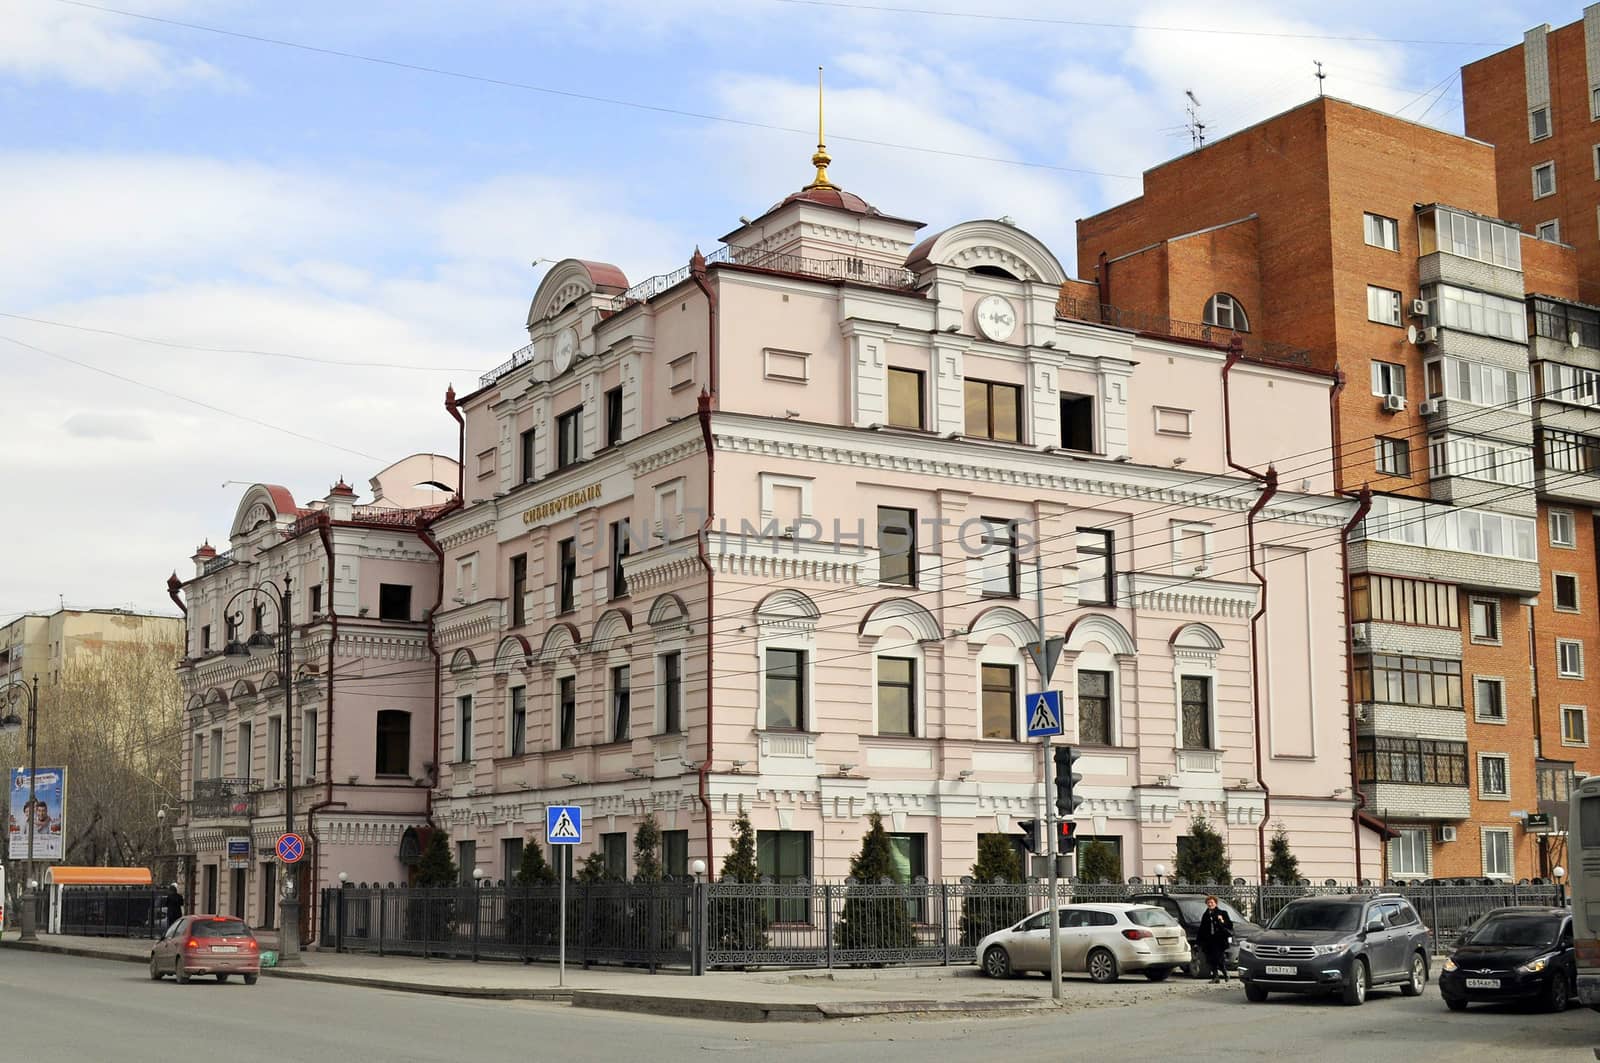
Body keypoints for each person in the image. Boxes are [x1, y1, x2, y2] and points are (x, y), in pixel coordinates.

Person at [1198, 895, 1234, 984]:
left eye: (1212, 903)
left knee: (1219, 958)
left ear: (1215, 903)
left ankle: (1225, 973)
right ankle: (1215, 977)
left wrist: (1222, 921)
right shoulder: (1205, 915)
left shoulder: (1222, 913)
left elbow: (1229, 925)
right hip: (1209, 940)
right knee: (1210, 959)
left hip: (1219, 940)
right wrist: (1198, 941)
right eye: (1208, 903)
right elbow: (1202, 928)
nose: (1210, 904)